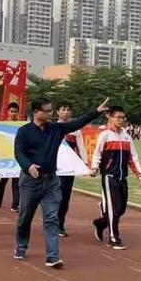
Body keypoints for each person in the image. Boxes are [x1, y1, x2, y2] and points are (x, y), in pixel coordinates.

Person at [14, 97, 109, 268]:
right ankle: (21, 245)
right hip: (30, 182)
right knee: (25, 218)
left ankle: (52, 256)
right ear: (36, 112)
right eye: (47, 111)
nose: (51, 114)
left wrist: (95, 111)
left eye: (52, 110)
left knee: (51, 218)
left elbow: (78, 123)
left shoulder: (57, 129)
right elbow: (19, 153)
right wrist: (28, 166)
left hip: (51, 181)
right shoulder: (24, 131)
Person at [91, 106, 141, 250]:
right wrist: (95, 168)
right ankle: (114, 238)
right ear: (110, 117)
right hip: (109, 176)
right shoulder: (105, 135)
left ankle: (101, 223)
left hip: (122, 177)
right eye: (118, 117)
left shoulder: (126, 136)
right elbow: (97, 154)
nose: (121, 120)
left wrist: (139, 173)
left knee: (121, 209)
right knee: (114, 209)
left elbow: (133, 157)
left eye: (123, 118)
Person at [56, 102, 80, 238]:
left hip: (69, 169)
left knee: (65, 198)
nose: (65, 112)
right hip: (55, 169)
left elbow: (80, 148)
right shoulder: (52, 128)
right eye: (63, 109)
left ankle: (60, 224)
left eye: (68, 109)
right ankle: (52, 223)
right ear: (57, 112)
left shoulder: (75, 130)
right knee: (54, 196)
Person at [0, 102, 21, 211]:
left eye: (15, 111)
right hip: (5, 156)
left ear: (18, 113)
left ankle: (15, 204)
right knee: (3, 180)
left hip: (17, 156)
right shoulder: (3, 124)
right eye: (11, 111)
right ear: (8, 112)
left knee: (16, 181)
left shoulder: (21, 126)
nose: (13, 113)